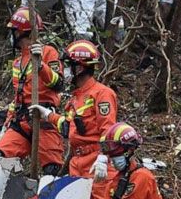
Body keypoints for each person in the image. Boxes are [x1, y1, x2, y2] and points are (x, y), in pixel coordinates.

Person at [0, 7, 66, 176]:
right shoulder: (17, 62)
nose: (11, 36)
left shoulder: (48, 52)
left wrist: (41, 66)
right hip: (21, 122)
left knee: (52, 171)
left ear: (21, 32)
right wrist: (7, 123)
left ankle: (41, 195)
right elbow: (18, 97)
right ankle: (16, 184)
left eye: (13, 31)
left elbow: (58, 84)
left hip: (44, 120)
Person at [30, 39, 117, 178]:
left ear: (79, 68)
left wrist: (103, 158)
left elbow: (108, 130)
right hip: (77, 163)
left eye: (68, 66)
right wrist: (47, 114)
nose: (64, 70)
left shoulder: (102, 93)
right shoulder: (76, 97)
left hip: (96, 163)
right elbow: (68, 126)